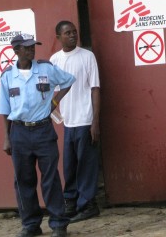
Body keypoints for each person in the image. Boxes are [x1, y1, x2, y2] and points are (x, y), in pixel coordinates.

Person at [0, 33, 76, 237]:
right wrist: (7, 137)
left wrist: (55, 102)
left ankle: (58, 224)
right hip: (19, 132)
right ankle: (31, 224)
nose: (32, 49)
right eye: (27, 47)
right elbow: (4, 109)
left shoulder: (46, 69)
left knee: (50, 178)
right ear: (16, 51)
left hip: (43, 130)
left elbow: (68, 81)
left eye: (33, 46)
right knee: (23, 180)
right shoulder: (7, 76)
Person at [50, 21, 101, 223]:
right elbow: (51, 92)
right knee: (69, 165)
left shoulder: (87, 57)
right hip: (68, 122)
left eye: (74, 32)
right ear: (58, 37)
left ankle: (88, 204)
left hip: (85, 119)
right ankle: (70, 203)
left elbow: (95, 88)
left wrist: (95, 121)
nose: (72, 35)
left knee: (86, 164)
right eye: (67, 33)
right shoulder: (54, 60)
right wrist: (54, 115)